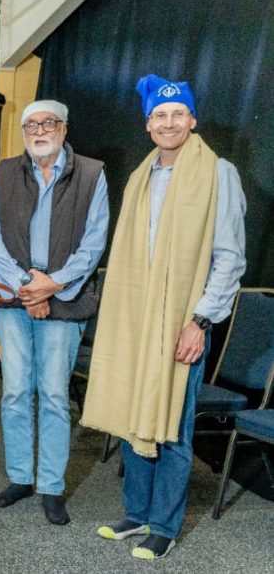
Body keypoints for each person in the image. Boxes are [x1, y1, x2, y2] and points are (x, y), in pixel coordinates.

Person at [82, 75, 246, 559]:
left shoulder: (219, 173)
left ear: (192, 120)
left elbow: (230, 257)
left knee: (171, 422)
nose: (168, 122)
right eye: (159, 116)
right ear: (148, 124)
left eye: (178, 114)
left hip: (183, 322)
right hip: (138, 319)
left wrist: (201, 320)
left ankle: (164, 524)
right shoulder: (141, 176)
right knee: (136, 414)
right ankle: (136, 513)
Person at [0, 99, 110, 525]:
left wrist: (50, 287)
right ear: (23, 133)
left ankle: (51, 487)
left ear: (64, 128)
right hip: (13, 301)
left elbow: (94, 244)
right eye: (31, 125)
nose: (39, 130)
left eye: (48, 123)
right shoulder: (4, 172)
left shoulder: (92, 174)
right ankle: (20, 477)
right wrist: (26, 287)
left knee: (54, 395)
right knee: (15, 392)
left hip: (65, 298)